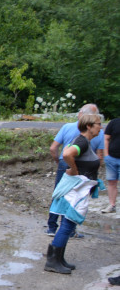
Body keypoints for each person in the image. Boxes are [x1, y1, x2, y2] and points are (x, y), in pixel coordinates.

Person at [45, 113, 104, 274]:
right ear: (89, 126)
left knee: (68, 224)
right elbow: (66, 154)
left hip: (77, 191)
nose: (101, 127)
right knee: (68, 224)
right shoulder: (82, 142)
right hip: (74, 192)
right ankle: (52, 261)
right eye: (98, 124)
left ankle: (59, 259)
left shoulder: (85, 142)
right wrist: (75, 170)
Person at [45, 103, 105, 236]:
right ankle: (69, 229)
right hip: (85, 169)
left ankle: (52, 227)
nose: (100, 126)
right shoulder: (98, 132)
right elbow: (99, 155)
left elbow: (53, 148)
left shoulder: (67, 127)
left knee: (59, 193)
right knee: (76, 198)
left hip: (65, 165)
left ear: (81, 114)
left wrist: (59, 161)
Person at [103, 115, 119, 214]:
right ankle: (112, 205)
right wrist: (106, 155)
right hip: (112, 157)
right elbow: (106, 138)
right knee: (111, 182)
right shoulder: (113, 122)